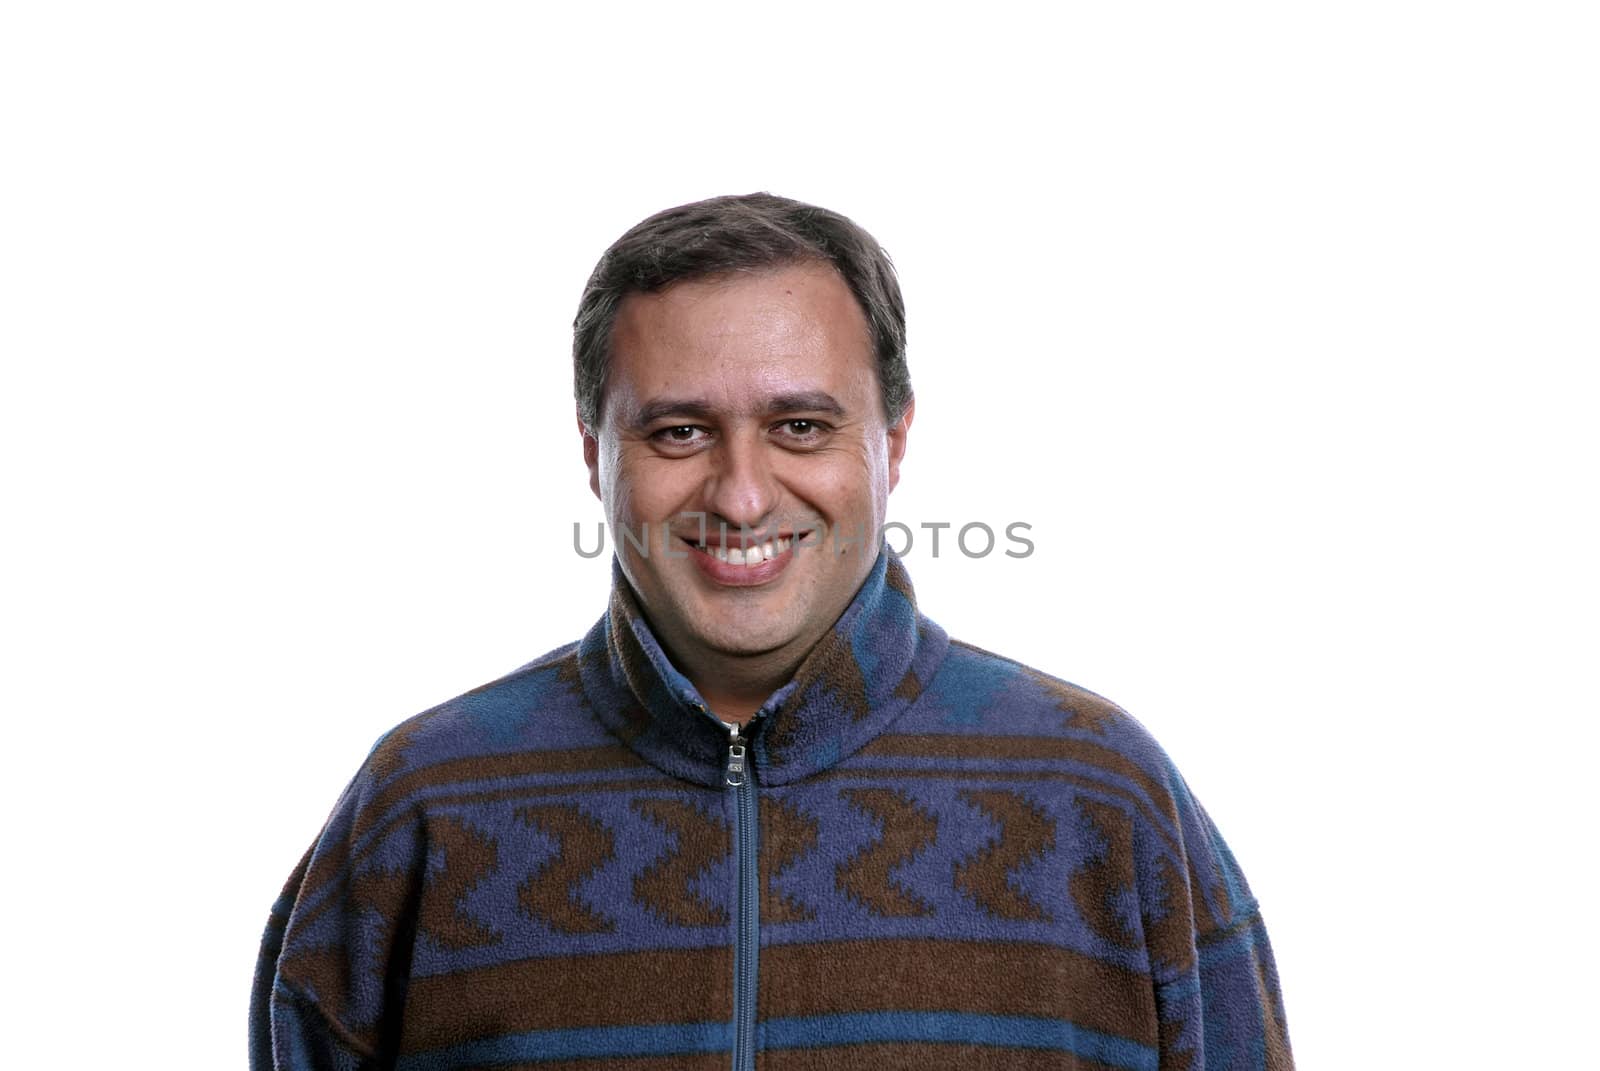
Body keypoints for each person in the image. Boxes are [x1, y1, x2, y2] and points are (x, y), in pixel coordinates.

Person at [251, 192, 1294, 1070]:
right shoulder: (422, 808)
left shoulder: (1097, 796)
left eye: (800, 425)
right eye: (677, 431)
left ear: (892, 439)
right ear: (591, 452)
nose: (742, 495)